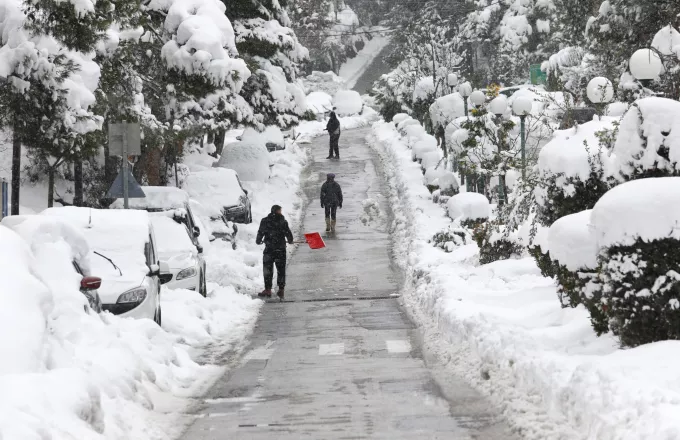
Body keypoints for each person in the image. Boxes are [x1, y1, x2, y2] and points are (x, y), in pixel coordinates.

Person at [256, 205, 294, 299]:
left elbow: (260, 232)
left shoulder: (265, 221)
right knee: (281, 270)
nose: (281, 212)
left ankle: (268, 289)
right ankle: (281, 289)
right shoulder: (283, 221)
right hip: (280, 249)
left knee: (267, 270)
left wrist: (258, 240)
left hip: (269, 249)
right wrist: (290, 240)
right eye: (280, 210)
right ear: (278, 211)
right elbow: (288, 233)